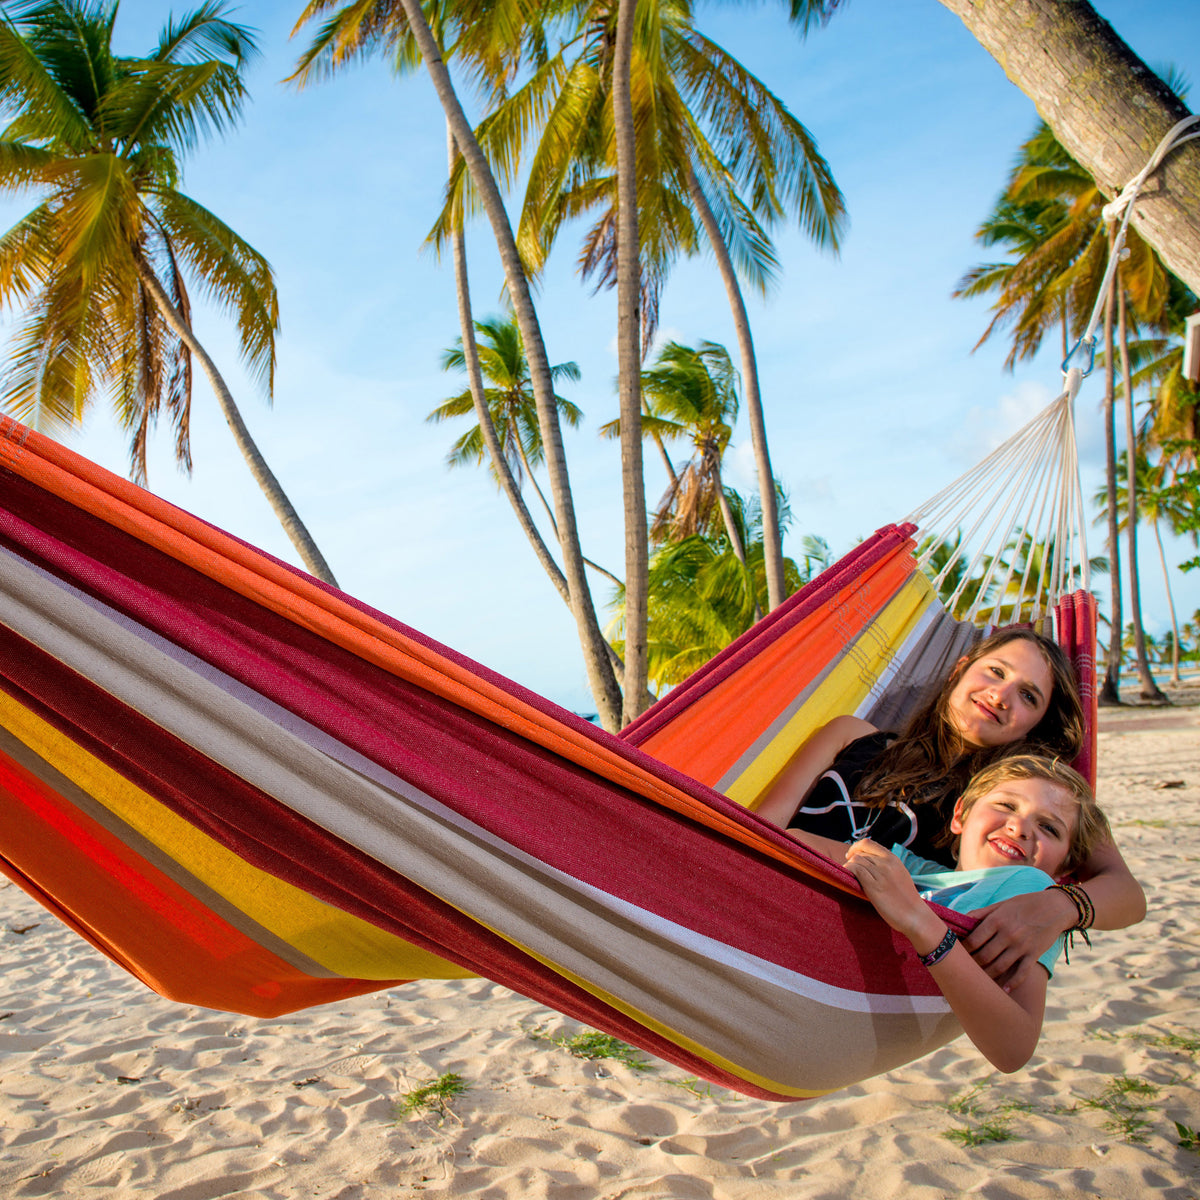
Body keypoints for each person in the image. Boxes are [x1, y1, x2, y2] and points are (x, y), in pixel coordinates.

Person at [756, 629, 1145, 985]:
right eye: (995, 671)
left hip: (858, 969)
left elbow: (1127, 895)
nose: (999, 696)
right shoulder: (849, 735)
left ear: (1037, 725)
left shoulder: (1005, 806)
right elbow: (757, 831)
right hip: (761, 915)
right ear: (960, 669)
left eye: (1028, 696)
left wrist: (1062, 905)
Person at [787, 755, 1111, 1072]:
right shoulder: (913, 867)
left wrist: (921, 923)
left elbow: (1015, 1048)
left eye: (1049, 828)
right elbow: (797, 843)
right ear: (960, 816)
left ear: (1064, 869)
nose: (1019, 827)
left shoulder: (1031, 890)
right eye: (1006, 806)